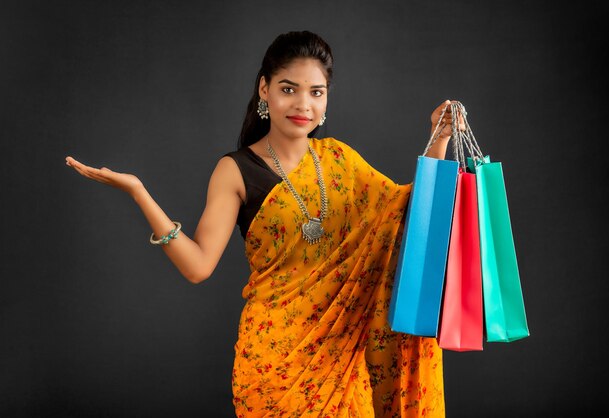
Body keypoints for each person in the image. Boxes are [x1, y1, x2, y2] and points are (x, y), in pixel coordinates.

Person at [66, 30, 463, 417]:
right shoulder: (235, 171)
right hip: (274, 367)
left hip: (340, 361)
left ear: (327, 100)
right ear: (264, 90)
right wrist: (139, 192)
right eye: (288, 89)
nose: (303, 104)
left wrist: (438, 138)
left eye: (316, 92)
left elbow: (409, 215)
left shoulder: (340, 162)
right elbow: (198, 266)